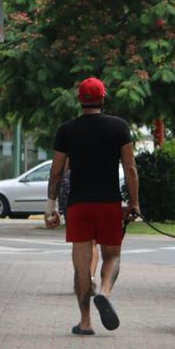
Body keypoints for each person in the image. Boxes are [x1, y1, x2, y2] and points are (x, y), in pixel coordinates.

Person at [45, 77, 140, 335]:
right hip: (109, 203)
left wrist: (50, 205)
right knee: (112, 256)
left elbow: (55, 172)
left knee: (82, 266)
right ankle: (106, 292)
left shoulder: (66, 130)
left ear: (79, 100)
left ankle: (85, 322)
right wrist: (134, 202)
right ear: (103, 98)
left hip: (78, 205)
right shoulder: (119, 127)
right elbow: (130, 168)